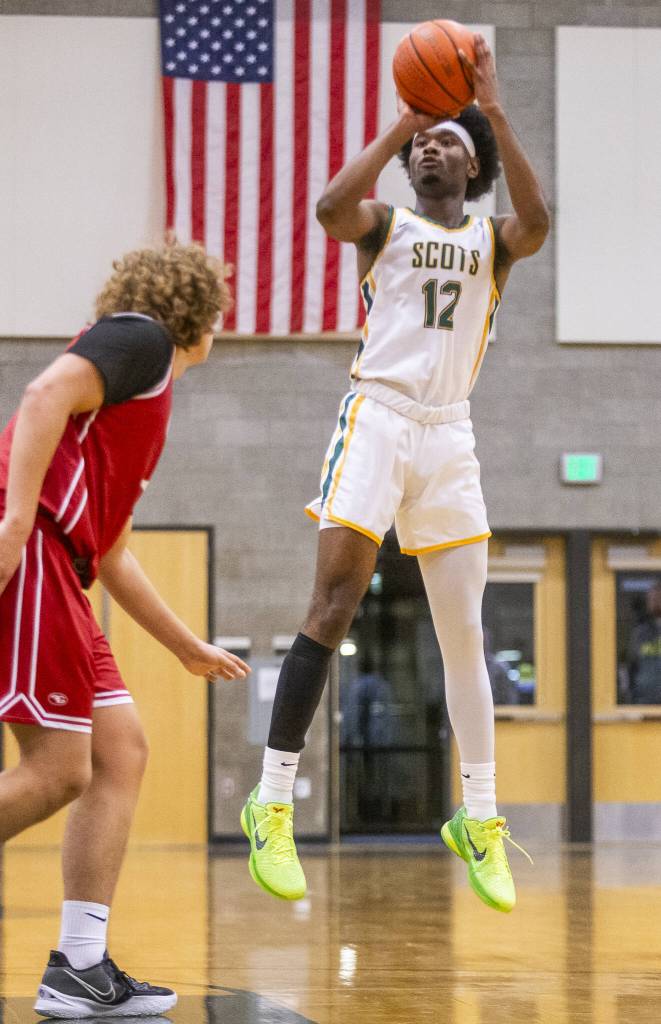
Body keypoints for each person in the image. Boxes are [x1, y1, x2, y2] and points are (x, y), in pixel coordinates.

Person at [241, 35, 548, 912]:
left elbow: (537, 224)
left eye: (445, 140)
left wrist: (487, 107)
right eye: (422, 141)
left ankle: (479, 817)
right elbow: (330, 206)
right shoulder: (385, 226)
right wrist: (397, 122)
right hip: (376, 417)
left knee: (463, 636)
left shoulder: (494, 238)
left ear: (474, 163)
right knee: (332, 604)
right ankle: (270, 802)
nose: (428, 147)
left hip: (449, 436)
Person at [0, 242, 250, 1017]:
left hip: (65, 562)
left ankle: (78, 965)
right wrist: (13, 525)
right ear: (199, 312)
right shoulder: (139, 337)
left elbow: (109, 551)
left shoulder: (144, 399)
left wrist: (185, 645)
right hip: (35, 544)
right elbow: (42, 394)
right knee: (58, 771)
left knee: (121, 750)